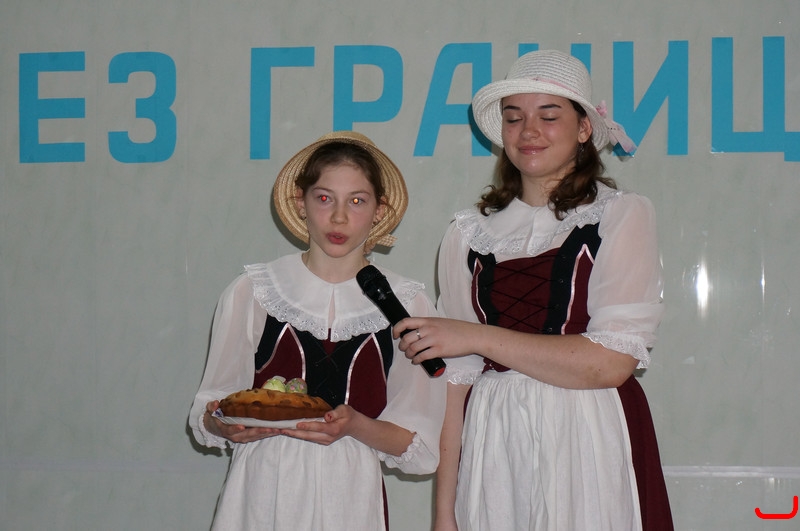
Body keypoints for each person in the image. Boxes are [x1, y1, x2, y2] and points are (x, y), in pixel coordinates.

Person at [395, 50, 674, 530]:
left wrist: (475, 337)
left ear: (583, 128)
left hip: (588, 432)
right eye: (514, 117)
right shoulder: (467, 234)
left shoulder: (619, 214)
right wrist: (444, 513)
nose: (528, 131)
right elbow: (456, 383)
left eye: (549, 115)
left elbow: (611, 363)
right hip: (493, 441)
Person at [189, 131, 446, 530]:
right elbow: (212, 405)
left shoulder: (407, 305)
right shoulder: (254, 292)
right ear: (301, 202)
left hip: (350, 496)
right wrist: (222, 424)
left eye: (357, 201)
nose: (339, 217)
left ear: (379, 210)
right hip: (263, 490)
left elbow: (418, 444)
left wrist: (355, 425)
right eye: (324, 198)